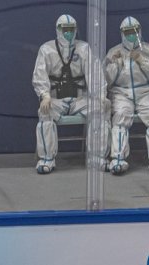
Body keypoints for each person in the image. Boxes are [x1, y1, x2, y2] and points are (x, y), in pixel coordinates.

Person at [32, 14, 109, 174]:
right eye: (65, 29)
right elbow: (39, 74)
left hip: (79, 98)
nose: (68, 33)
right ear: (58, 30)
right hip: (55, 99)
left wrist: (100, 95)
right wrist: (44, 95)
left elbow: (94, 73)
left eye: (71, 29)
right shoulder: (47, 50)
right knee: (45, 112)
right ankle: (47, 158)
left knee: (100, 111)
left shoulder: (84, 49)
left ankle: (96, 156)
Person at [104, 17, 149, 175]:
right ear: (122, 33)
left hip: (146, 92)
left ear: (139, 31)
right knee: (120, 116)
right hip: (122, 93)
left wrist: (142, 60)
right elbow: (107, 81)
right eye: (128, 32)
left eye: (134, 32)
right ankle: (118, 158)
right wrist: (115, 65)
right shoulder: (114, 52)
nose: (131, 35)